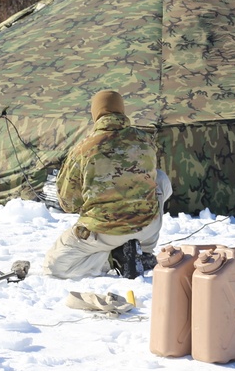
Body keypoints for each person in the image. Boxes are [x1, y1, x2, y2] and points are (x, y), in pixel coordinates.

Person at [42, 90, 172, 280]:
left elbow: (68, 203)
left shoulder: (83, 148)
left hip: (104, 232)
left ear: (95, 114)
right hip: (147, 228)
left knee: (54, 267)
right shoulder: (146, 140)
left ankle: (114, 259)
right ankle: (141, 253)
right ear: (122, 110)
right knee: (160, 178)